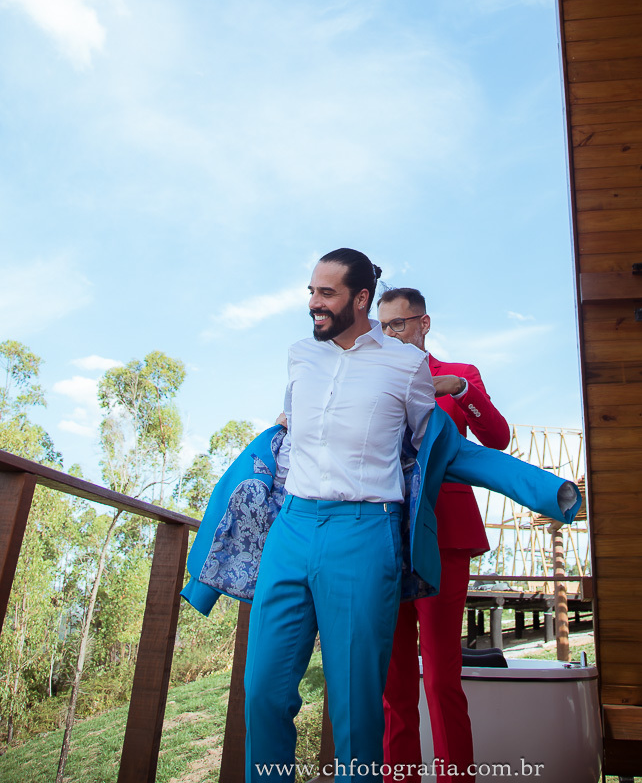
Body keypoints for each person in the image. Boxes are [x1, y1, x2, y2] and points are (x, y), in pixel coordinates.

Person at [181, 249, 581, 783]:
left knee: (357, 707)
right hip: (292, 532)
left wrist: (544, 489)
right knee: (263, 692)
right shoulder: (301, 356)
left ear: (360, 298)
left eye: (326, 294)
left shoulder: (406, 366)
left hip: (364, 535)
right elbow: (292, 439)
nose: (313, 304)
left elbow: (442, 450)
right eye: (311, 292)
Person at [377, 287, 510, 777]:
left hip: (445, 534)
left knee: (440, 675)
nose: (390, 334)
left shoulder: (461, 376)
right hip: (383, 537)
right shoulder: (371, 379)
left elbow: (497, 438)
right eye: (383, 326)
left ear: (424, 323)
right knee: (393, 684)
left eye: (399, 324)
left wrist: (460, 390)